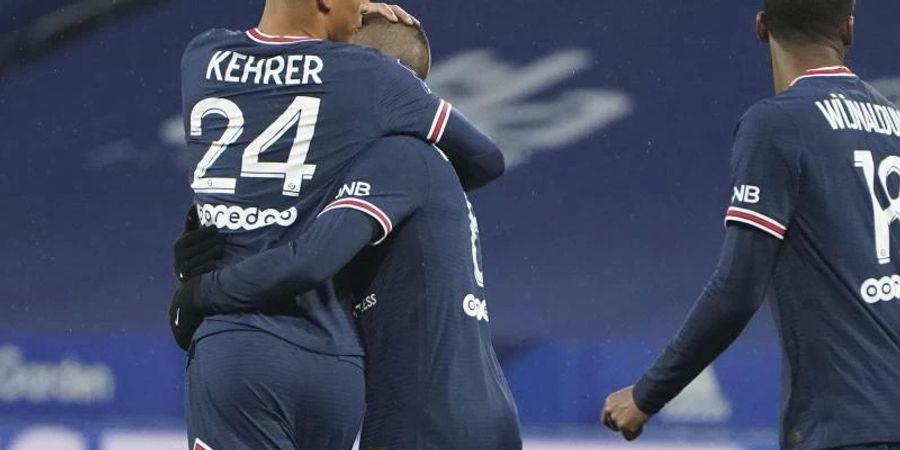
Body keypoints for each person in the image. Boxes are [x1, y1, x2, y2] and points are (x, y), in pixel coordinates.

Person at [173, 17, 522, 450]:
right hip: (464, 409)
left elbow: (309, 258)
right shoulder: (421, 171)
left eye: (337, 61)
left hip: (424, 423)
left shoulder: (397, 158)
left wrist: (203, 293)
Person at [602, 1, 900, 449]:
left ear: (761, 27)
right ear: (849, 28)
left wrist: (648, 393)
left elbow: (738, 289)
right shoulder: (894, 124)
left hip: (846, 425)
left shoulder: (777, 124)